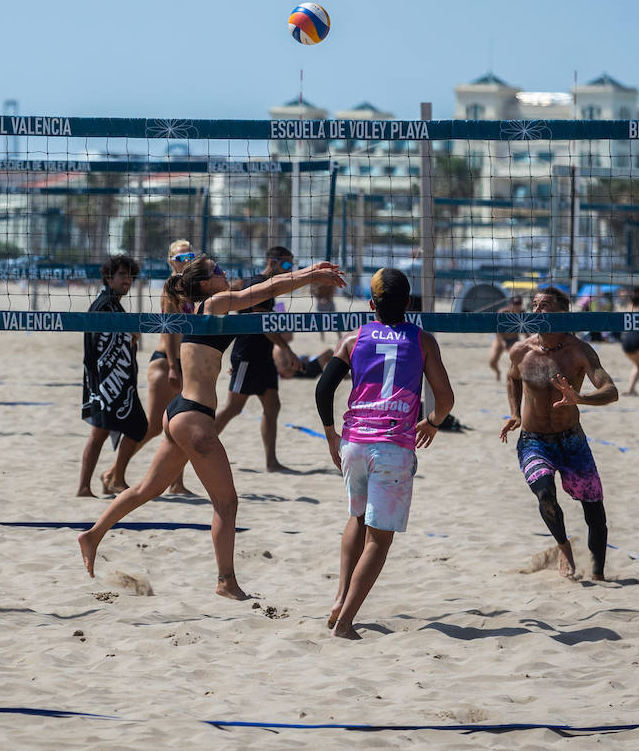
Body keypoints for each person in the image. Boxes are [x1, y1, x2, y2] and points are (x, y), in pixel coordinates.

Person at [79, 255, 345, 599]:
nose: (224, 272)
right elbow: (270, 287)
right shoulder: (214, 303)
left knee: (148, 488)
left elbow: (260, 296)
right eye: (217, 270)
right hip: (194, 420)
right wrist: (312, 273)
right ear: (205, 283)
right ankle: (225, 582)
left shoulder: (199, 308)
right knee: (226, 503)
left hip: (180, 414)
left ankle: (93, 534)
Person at [315, 268, 454, 639]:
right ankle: (345, 622)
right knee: (379, 539)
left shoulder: (353, 338)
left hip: (355, 442)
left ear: (371, 304)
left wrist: (331, 436)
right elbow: (446, 398)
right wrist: (433, 422)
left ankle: (338, 600)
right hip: (392, 445)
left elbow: (323, 390)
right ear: (409, 303)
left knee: (355, 519)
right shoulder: (423, 341)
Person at [499, 285, 618, 581]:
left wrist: (581, 399)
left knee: (595, 513)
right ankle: (563, 547)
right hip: (533, 441)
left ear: (563, 314)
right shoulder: (521, 350)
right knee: (545, 495)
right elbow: (512, 378)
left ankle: (599, 573)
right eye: (535, 306)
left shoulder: (578, 350)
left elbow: (611, 391)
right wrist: (514, 412)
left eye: (545, 306)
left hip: (571, 440)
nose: (538, 311)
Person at [100, 239, 195, 496]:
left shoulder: (192, 287)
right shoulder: (171, 286)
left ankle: (176, 482)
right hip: (167, 361)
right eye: (180, 257)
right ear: (170, 260)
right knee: (153, 426)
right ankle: (113, 473)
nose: (184, 261)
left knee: (182, 425)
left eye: (189, 257)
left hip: (183, 363)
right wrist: (174, 366)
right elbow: (171, 329)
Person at [213, 246, 306, 472]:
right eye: (285, 265)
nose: (289, 269)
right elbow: (262, 324)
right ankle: (196, 444)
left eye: (291, 265)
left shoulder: (268, 287)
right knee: (233, 408)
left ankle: (271, 462)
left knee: (273, 406)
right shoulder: (257, 284)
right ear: (271, 262)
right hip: (247, 354)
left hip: (262, 356)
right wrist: (287, 350)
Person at [77, 255, 149, 497]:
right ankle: (105, 481)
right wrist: (131, 336)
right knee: (133, 428)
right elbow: (103, 342)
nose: (127, 280)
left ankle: (102, 481)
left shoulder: (111, 302)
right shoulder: (105, 303)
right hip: (107, 382)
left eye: (130, 275)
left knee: (111, 431)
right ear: (109, 277)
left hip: (111, 382)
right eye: (121, 275)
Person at [488, 294, 524, 380]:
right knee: (492, 362)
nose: (517, 305)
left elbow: (526, 330)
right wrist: (502, 342)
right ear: (510, 304)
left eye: (519, 303)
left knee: (515, 362)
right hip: (500, 339)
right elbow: (497, 329)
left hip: (514, 340)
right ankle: (497, 372)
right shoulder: (503, 312)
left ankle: (510, 377)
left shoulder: (522, 314)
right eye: (515, 303)